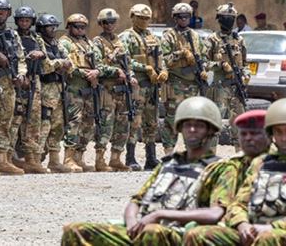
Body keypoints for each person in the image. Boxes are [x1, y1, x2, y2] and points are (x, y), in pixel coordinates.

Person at [62, 97, 236, 246]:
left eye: (198, 126)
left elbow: (215, 213)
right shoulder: (168, 164)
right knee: (75, 230)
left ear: (211, 131)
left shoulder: (221, 168)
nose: (191, 130)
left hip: (179, 234)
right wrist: (131, 222)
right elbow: (136, 201)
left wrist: (159, 214)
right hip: (143, 230)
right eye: (187, 125)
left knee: (153, 232)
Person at [182, 109, 272, 245]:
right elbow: (221, 205)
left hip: (273, 228)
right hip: (240, 226)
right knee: (195, 232)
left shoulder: (278, 165)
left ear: (269, 136)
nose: (248, 138)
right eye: (243, 134)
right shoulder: (230, 166)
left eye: (255, 134)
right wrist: (241, 224)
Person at [59, 13, 112, 172]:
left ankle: (79, 157)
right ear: (69, 27)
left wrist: (97, 72)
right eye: (76, 26)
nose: (80, 29)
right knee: (74, 121)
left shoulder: (89, 43)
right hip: (74, 87)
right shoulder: (65, 43)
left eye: (83, 27)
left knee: (89, 123)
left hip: (91, 88)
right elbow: (68, 64)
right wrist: (86, 74)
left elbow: (100, 62)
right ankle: (68, 158)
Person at [119, 3, 168, 171]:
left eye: (146, 18)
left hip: (153, 87)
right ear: (132, 17)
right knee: (135, 121)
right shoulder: (126, 37)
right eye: (140, 18)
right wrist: (145, 68)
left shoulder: (152, 37)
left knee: (152, 122)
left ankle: (151, 157)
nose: (144, 21)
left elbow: (161, 57)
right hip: (137, 86)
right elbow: (125, 61)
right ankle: (130, 157)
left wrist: (164, 71)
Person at [161, 2, 210, 155]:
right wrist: (181, 53)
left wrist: (204, 70)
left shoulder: (195, 36)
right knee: (172, 119)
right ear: (175, 18)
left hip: (193, 84)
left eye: (187, 16)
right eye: (180, 17)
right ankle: (169, 152)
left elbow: (203, 56)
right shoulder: (169, 35)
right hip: (176, 83)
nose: (184, 19)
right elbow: (164, 59)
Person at [92, 8, 137, 172]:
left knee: (123, 124)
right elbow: (97, 65)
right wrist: (115, 71)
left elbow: (128, 62)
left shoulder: (120, 41)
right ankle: (100, 159)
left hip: (123, 89)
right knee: (106, 124)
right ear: (101, 24)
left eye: (112, 22)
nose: (109, 25)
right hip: (108, 89)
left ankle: (116, 158)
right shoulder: (97, 42)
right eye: (106, 22)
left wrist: (130, 75)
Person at [0, 0, 27, 175]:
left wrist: (21, 74)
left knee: (6, 122)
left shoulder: (13, 34)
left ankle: (3, 160)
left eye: (4, 11)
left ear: (8, 13)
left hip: (10, 84)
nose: (1, 14)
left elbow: (21, 57)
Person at [8, 6, 50, 174]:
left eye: (27, 20)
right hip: (18, 82)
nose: (24, 23)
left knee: (33, 122)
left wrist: (40, 54)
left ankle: (32, 159)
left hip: (34, 81)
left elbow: (45, 59)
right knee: (14, 120)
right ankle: (7, 157)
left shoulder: (36, 38)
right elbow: (13, 56)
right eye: (21, 20)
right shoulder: (12, 36)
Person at [205, 2, 250, 151]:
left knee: (240, 124)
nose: (228, 20)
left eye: (231, 18)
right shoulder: (212, 39)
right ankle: (210, 158)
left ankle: (241, 158)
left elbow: (245, 64)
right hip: (219, 87)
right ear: (219, 19)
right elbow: (204, 64)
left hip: (236, 88)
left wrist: (246, 76)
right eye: (225, 18)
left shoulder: (239, 40)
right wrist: (220, 65)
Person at [35, 14, 73, 173]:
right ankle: (36, 160)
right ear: (42, 28)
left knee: (58, 125)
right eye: (49, 27)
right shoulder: (39, 43)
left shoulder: (56, 44)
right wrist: (59, 63)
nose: (53, 30)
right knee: (44, 125)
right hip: (46, 88)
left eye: (54, 26)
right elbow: (44, 67)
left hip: (59, 88)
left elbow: (70, 63)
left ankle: (54, 160)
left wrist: (62, 64)